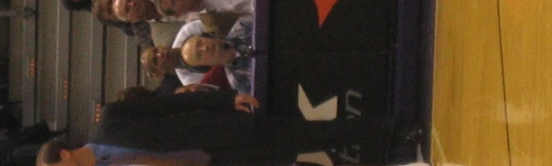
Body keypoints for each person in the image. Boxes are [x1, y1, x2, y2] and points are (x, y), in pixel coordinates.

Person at [34, 90, 397, 165]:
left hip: (219, 135)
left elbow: (171, 104)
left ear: (63, 154)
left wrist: (224, 101)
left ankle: (391, 130)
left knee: (314, 136)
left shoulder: (111, 119)